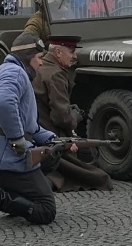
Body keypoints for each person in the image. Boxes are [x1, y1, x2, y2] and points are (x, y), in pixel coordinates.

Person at [0, 31, 67, 228]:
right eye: (39, 58)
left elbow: (30, 126)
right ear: (28, 56)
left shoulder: (10, 70)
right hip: (5, 157)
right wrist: (17, 139)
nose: (41, 63)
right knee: (46, 209)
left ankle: (7, 197)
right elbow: (4, 104)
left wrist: (56, 140)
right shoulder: (15, 72)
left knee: (52, 157)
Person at [32, 34, 112, 192]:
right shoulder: (56, 74)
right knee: (100, 178)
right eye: (71, 51)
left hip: (38, 132)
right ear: (58, 53)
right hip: (51, 137)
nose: (75, 56)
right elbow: (61, 116)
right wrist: (75, 117)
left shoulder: (43, 67)